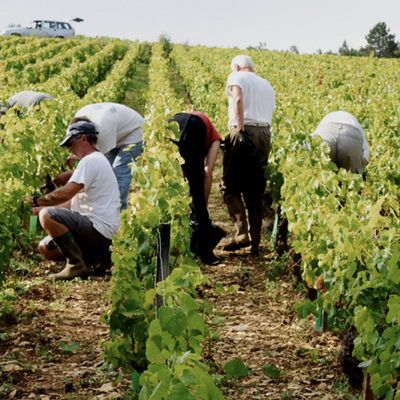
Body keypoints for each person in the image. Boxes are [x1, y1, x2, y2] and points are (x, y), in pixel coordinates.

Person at [26, 121, 121, 281]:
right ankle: (97, 259)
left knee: (46, 215)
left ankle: (76, 265)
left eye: (70, 142)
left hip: (100, 229)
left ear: (84, 139)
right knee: (45, 248)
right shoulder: (95, 160)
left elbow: (65, 194)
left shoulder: (89, 160)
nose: (68, 148)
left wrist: (38, 201)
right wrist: (36, 209)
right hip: (100, 231)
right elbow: (70, 203)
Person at [222, 54, 275, 255]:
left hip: (244, 129)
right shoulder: (266, 84)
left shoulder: (237, 77)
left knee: (230, 185)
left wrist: (241, 130)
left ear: (236, 66)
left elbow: (237, 98)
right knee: (255, 190)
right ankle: (255, 245)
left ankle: (241, 233)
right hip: (264, 133)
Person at [54, 103, 144, 211]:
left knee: (119, 177)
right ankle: (104, 211)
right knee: (108, 177)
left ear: (85, 137)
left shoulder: (103, 130)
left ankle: (118, 217)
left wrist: (71, 174)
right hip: (116, 132)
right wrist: (76, 155)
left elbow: (98, 163)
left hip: (133, 133)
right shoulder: (79, 119)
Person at [168, 112, 225, 265]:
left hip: (170, 124)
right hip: (193, 128)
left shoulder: (200, 122)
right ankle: (206, 252)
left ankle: (173, 246)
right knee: (196, 191)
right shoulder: (216, 140)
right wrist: (202, 208)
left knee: (169, 183)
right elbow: (207, 173)